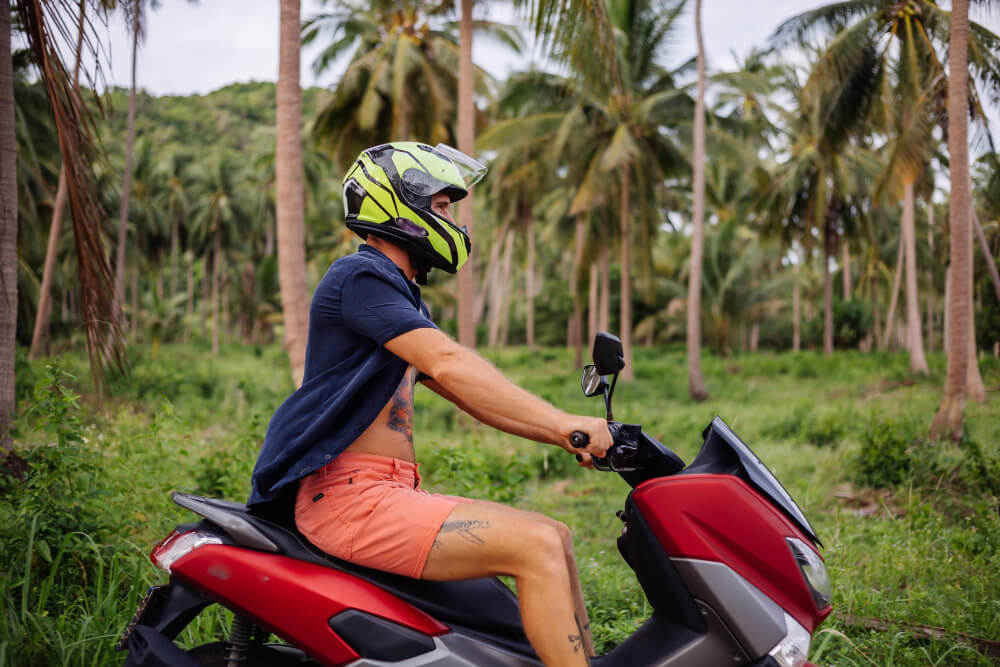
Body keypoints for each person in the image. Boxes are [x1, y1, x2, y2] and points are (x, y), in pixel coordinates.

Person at [249, 142, 612, 667]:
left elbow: (467, 394)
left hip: (385, 490)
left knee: (555, 534)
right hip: (352, 498)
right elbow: (447, 363)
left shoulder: (396, 295)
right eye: (442, 207)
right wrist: (564, 423)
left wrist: (563, 435)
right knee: (535, 545)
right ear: (396, 207)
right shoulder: (360, 278)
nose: (453, 221)